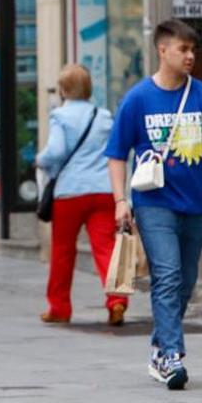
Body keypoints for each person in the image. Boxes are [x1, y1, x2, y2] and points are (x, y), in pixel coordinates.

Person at [107, 18, 202, 391]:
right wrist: (120, 201)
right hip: (154, 203)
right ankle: (171, 356)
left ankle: (159, 346)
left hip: (195, 203)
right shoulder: (138, 98)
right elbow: (116, 154)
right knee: (167, 275)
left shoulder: (199, 94)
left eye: (193, 49)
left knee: (187, 282)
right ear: (163, 50)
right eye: (183, 49)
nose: (190, 55)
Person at [36, 64, 127, 326]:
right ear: (89, 88)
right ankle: (117, 299)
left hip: (70, 194)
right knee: (106, 248)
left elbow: (56, 151)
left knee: (63, 251)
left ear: (63, 90)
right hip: (103, 190)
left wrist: (40, 160)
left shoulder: (60, 116)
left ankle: (59, 307)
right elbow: (116, 150)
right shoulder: (104, 116)